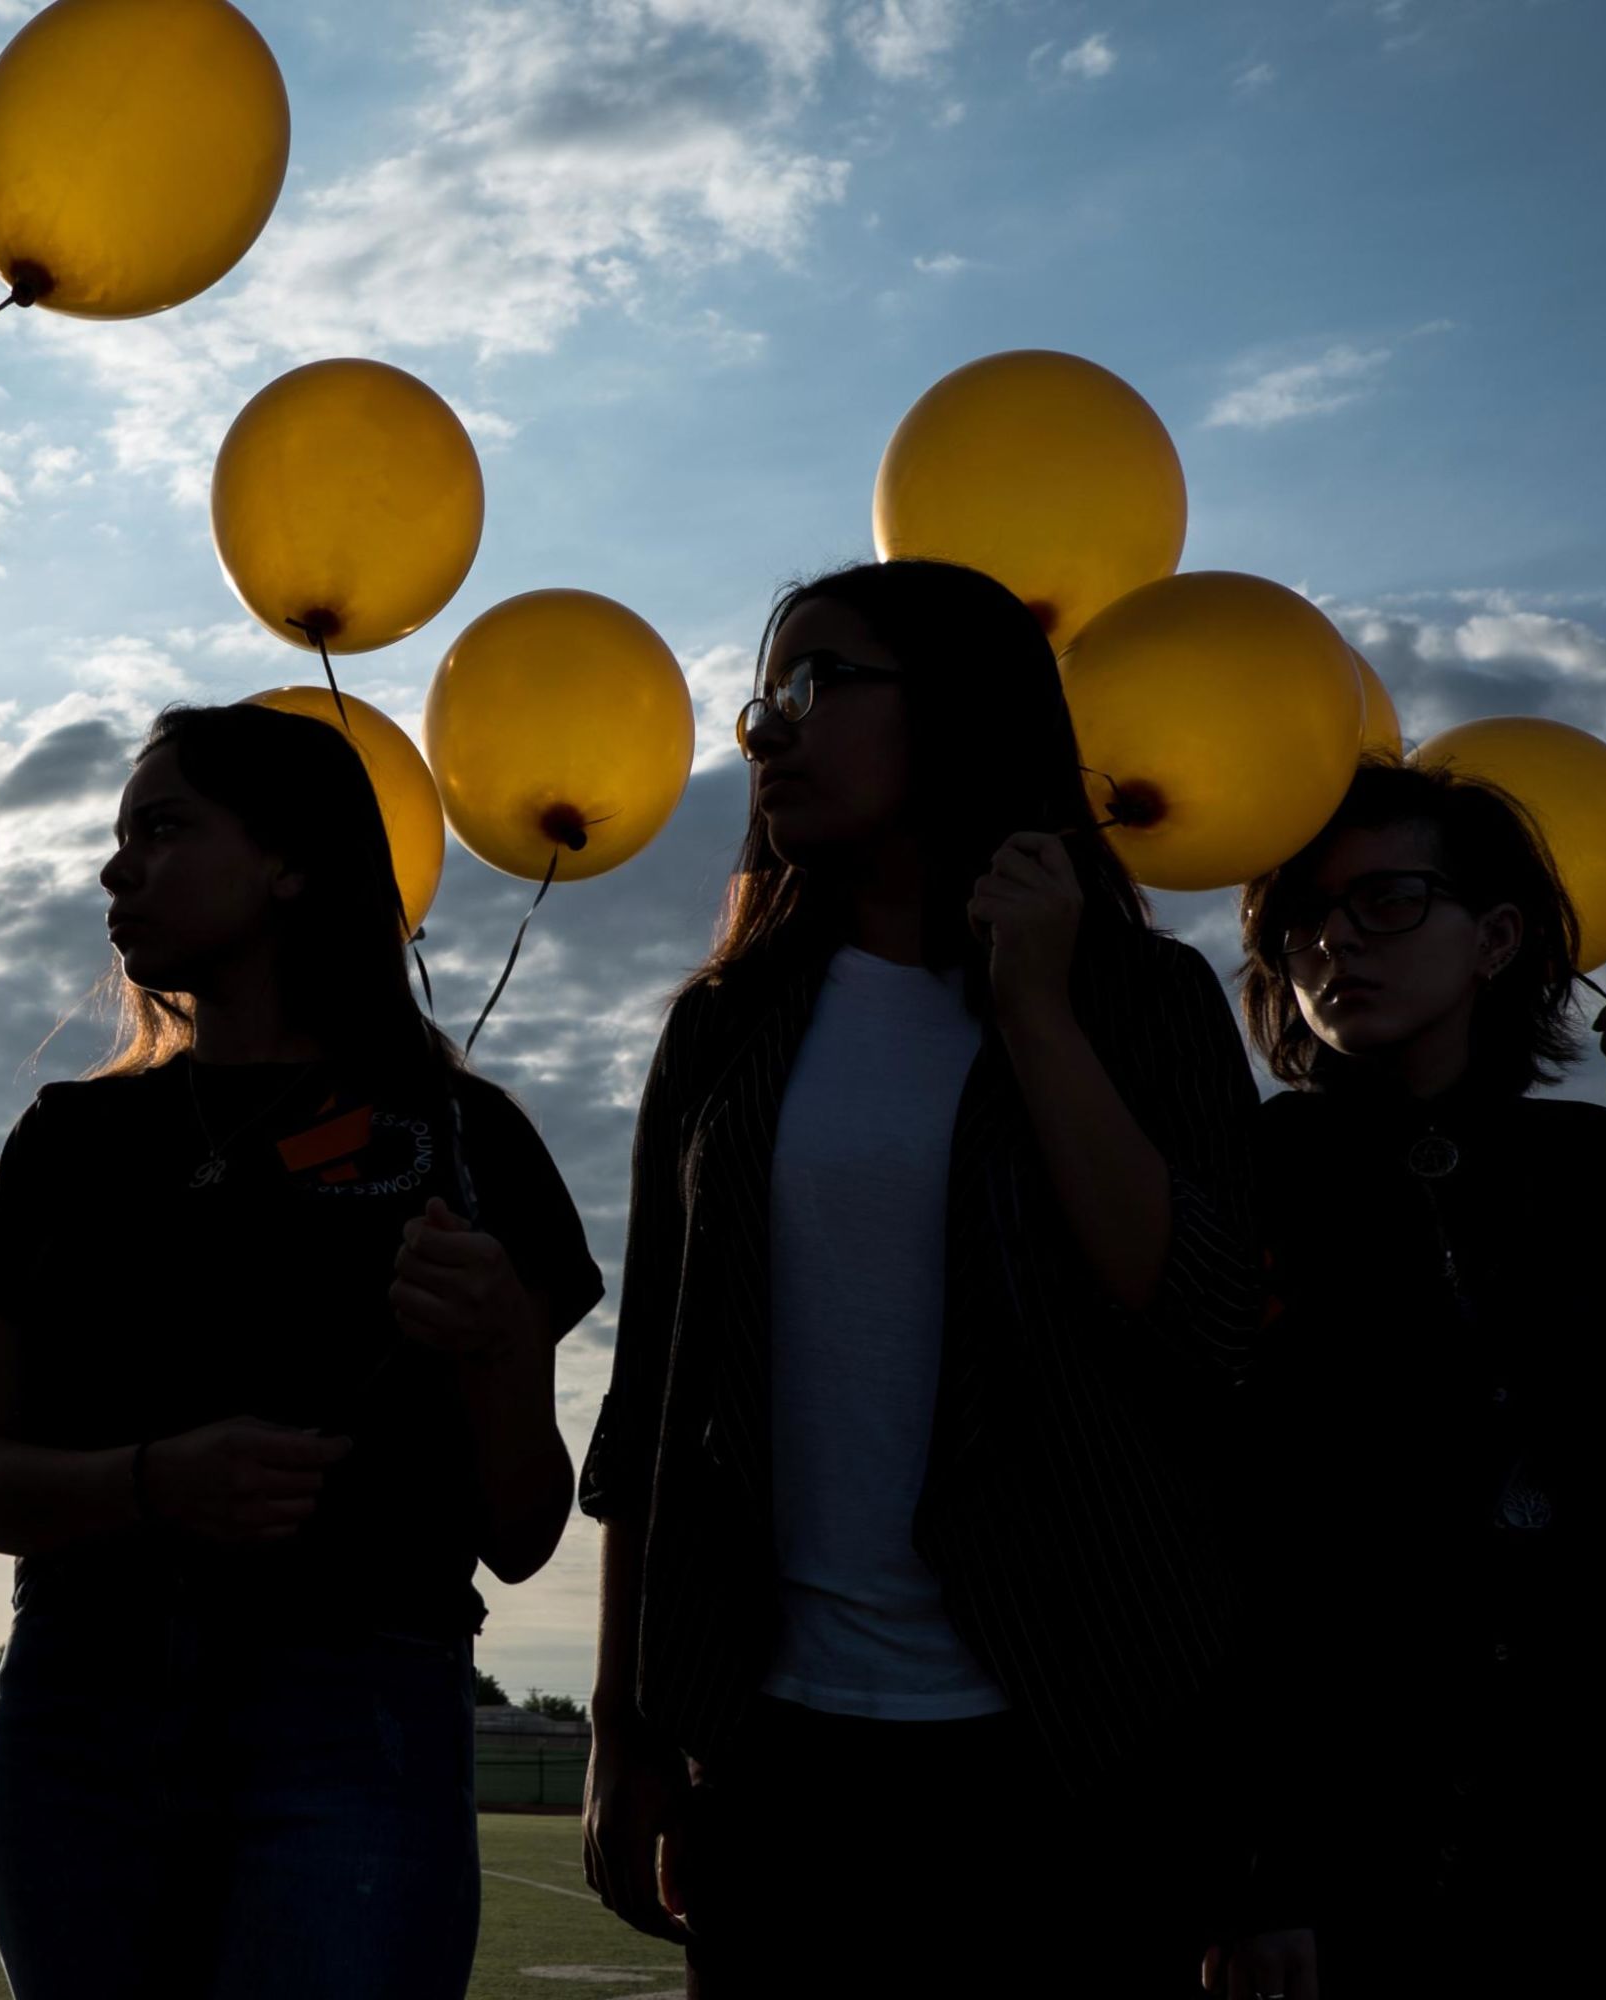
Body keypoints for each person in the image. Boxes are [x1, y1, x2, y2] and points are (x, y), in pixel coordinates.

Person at [577, 560, 1263, 1997]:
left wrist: (1033, 1007)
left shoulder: (1144, 999)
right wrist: (624, 1729)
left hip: (1079, 1749)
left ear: (958, 712)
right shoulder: (724, 1028)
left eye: (818, 685)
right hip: (779, 1753)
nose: (767, 730)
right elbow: (652, 1402)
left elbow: (1204, 1322)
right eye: (765, 697)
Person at [0, 701, 604, 2000]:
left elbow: (521, 1533)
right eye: (118, 837)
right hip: (84, 1717)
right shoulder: (69, 1143)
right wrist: (153, 1482)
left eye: (163, 828)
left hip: (357, 1709)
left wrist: (505, 1347)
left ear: (291, 861)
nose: (116, 868)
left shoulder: (465, 1142)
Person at [1209, 756, 1606, 2000]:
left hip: (1595, 1812)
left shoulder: (1598, 1160)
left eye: (1386, 901)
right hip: (1350, 1823)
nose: (1334, 943)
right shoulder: (1255, 1167)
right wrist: (1259, 1871)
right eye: (1301, 919)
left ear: (1495, 937)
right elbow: (1228, 1532)